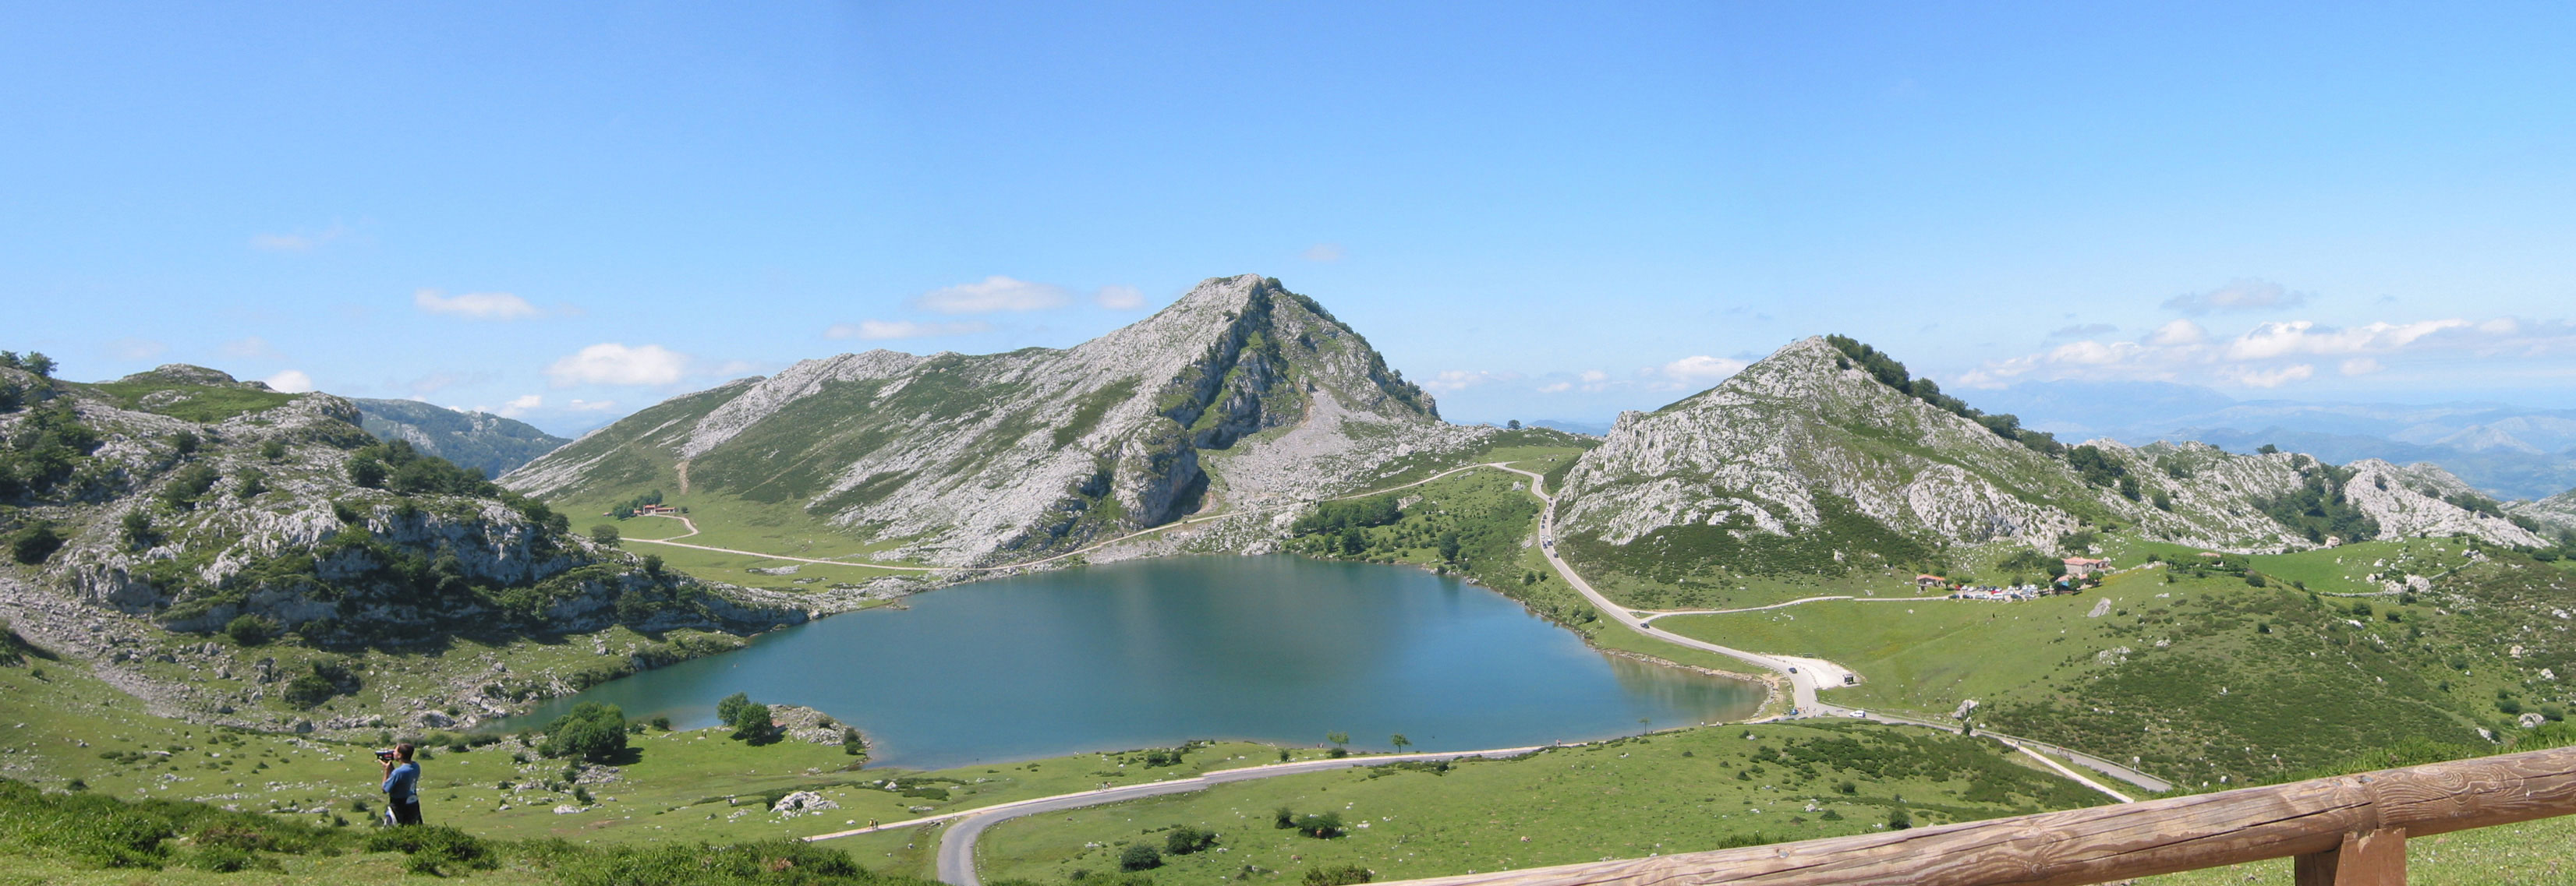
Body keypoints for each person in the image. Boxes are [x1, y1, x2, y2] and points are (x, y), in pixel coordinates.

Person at [380, 743, 423, 825]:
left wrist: (387, 771)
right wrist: (392, 769)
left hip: (399, 805)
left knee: (396, 827)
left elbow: (385, 789)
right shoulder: (415, 766)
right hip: (412, 803)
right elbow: (400, 778)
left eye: (395, 752)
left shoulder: (399, 772)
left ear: (400, 755)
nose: (393, 753)